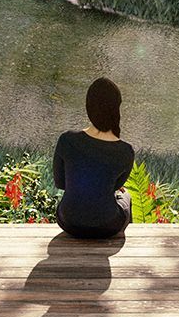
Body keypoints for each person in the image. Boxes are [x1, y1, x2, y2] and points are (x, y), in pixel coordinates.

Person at [53, 77, 136, 239]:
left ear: (88, 107)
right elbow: (115, 187)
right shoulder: (126, 151)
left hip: (68, 222)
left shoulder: (67, 140)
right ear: (116, 109)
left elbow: (60, 183)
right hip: (108, 226)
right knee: (126, 196)